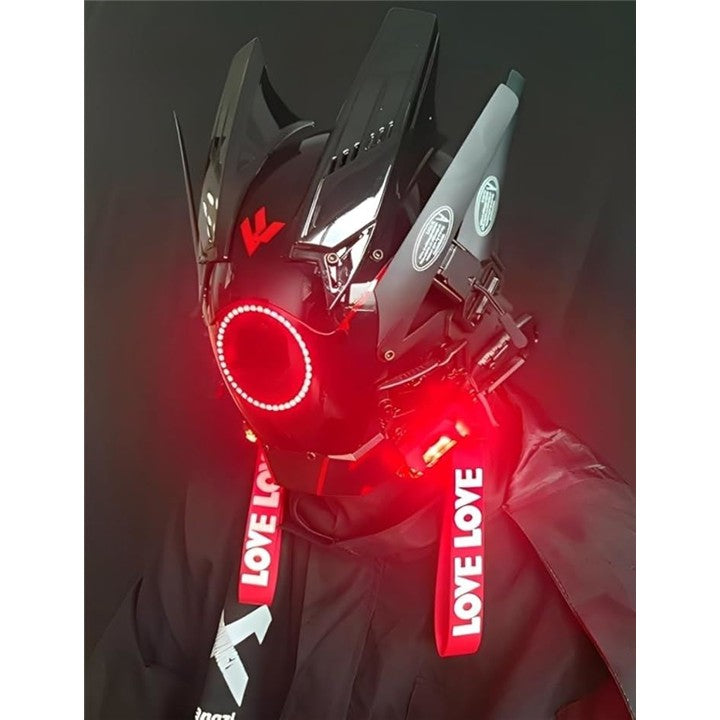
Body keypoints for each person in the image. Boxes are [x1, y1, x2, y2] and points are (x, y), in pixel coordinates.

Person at [87, 8, 635, 719]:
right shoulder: (224, 500)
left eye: (293, 351)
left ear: (448, 309)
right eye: (253, 350)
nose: (275, 397)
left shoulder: (579, 559)